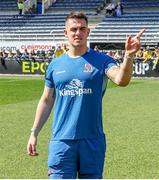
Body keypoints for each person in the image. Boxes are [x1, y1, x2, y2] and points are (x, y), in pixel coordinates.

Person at [27, 11, 145, 179]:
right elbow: (46, 99)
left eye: (82, 28)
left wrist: (128, 56)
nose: (78, 33)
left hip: (92, 140)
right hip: (61, 141)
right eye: (74, 29)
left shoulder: (102, 60)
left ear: (88, 32)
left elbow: (121, 79)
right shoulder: (55, 65)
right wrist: (34, 132)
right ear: (65, 32)